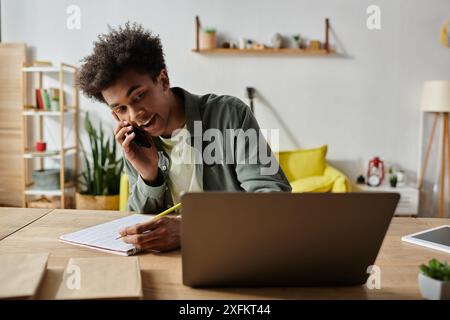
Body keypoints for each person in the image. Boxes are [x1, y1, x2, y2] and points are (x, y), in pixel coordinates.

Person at [78, 23, 291, 252]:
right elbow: (137, 223)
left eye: (139, 96)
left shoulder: (231, 114)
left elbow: (275, 203)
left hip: (232, 251)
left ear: (163, 80)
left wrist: (189, 229)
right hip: (165, 263)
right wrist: (149, 176)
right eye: (121, 109)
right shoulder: (135, 144)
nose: (135, 115)